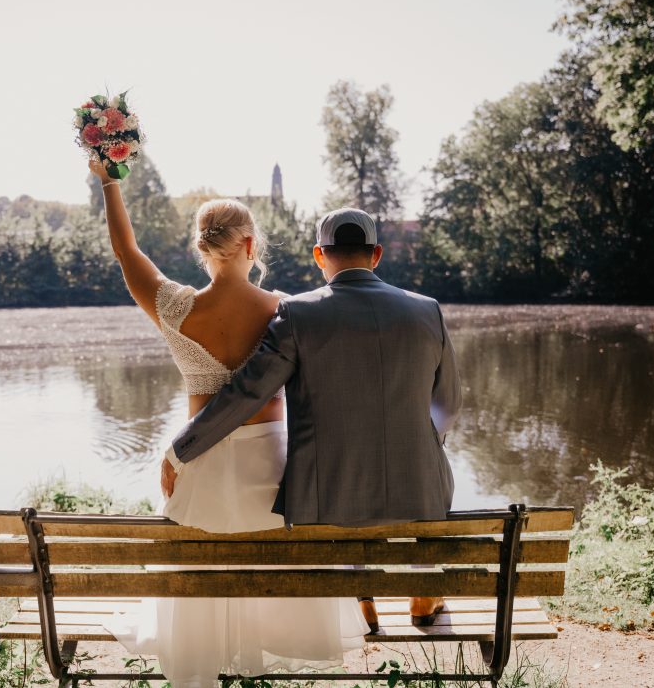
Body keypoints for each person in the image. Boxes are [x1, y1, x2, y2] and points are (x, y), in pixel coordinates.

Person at [86, 160, 368, 687]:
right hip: (274, 474)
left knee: (201, 561)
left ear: (202, 248)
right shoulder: (289, 310)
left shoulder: (175, 308)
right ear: (250, 246)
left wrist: (109, 180)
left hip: (201, 469)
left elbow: (127, 251)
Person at [162, 207, 463, 634]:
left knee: (336, 469)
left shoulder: (298, 315)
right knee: (425, 467)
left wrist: (182, 448)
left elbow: (248, 393)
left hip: (330, 495)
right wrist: (417, 443)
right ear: (376, 255)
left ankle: (362, 598)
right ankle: (424, 590)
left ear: (319, 256)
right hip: (419, 489)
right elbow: (448, 406)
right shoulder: (426, 311)